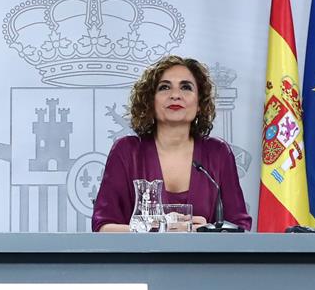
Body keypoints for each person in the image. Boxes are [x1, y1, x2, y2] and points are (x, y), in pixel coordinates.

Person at [92, 55, 251, 232]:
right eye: (165, 87)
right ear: (151, 102)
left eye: (186, 87)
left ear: (200, 103)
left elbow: (239, 228)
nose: (175, 95)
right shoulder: (127, 151)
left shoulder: (218, 153)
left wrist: (208, 231)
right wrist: (160, 228)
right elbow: (103, 228)